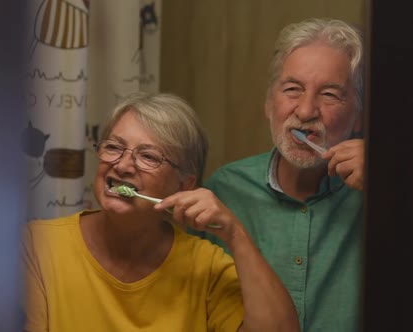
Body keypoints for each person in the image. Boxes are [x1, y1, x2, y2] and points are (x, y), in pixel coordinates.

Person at [21, 92, 300, 332]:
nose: (123, 165)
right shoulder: (37, 246)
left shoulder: (205, 267)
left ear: (184, 184)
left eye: (148, 156)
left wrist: (235, 235)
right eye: (114, 147)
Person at [194, 18, 365, 331]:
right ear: (269, 104)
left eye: (329, 94)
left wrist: (392, 187)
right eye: (292, 90)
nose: (305, 111)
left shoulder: (380, 194)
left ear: (359, 117)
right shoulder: (223, 190)